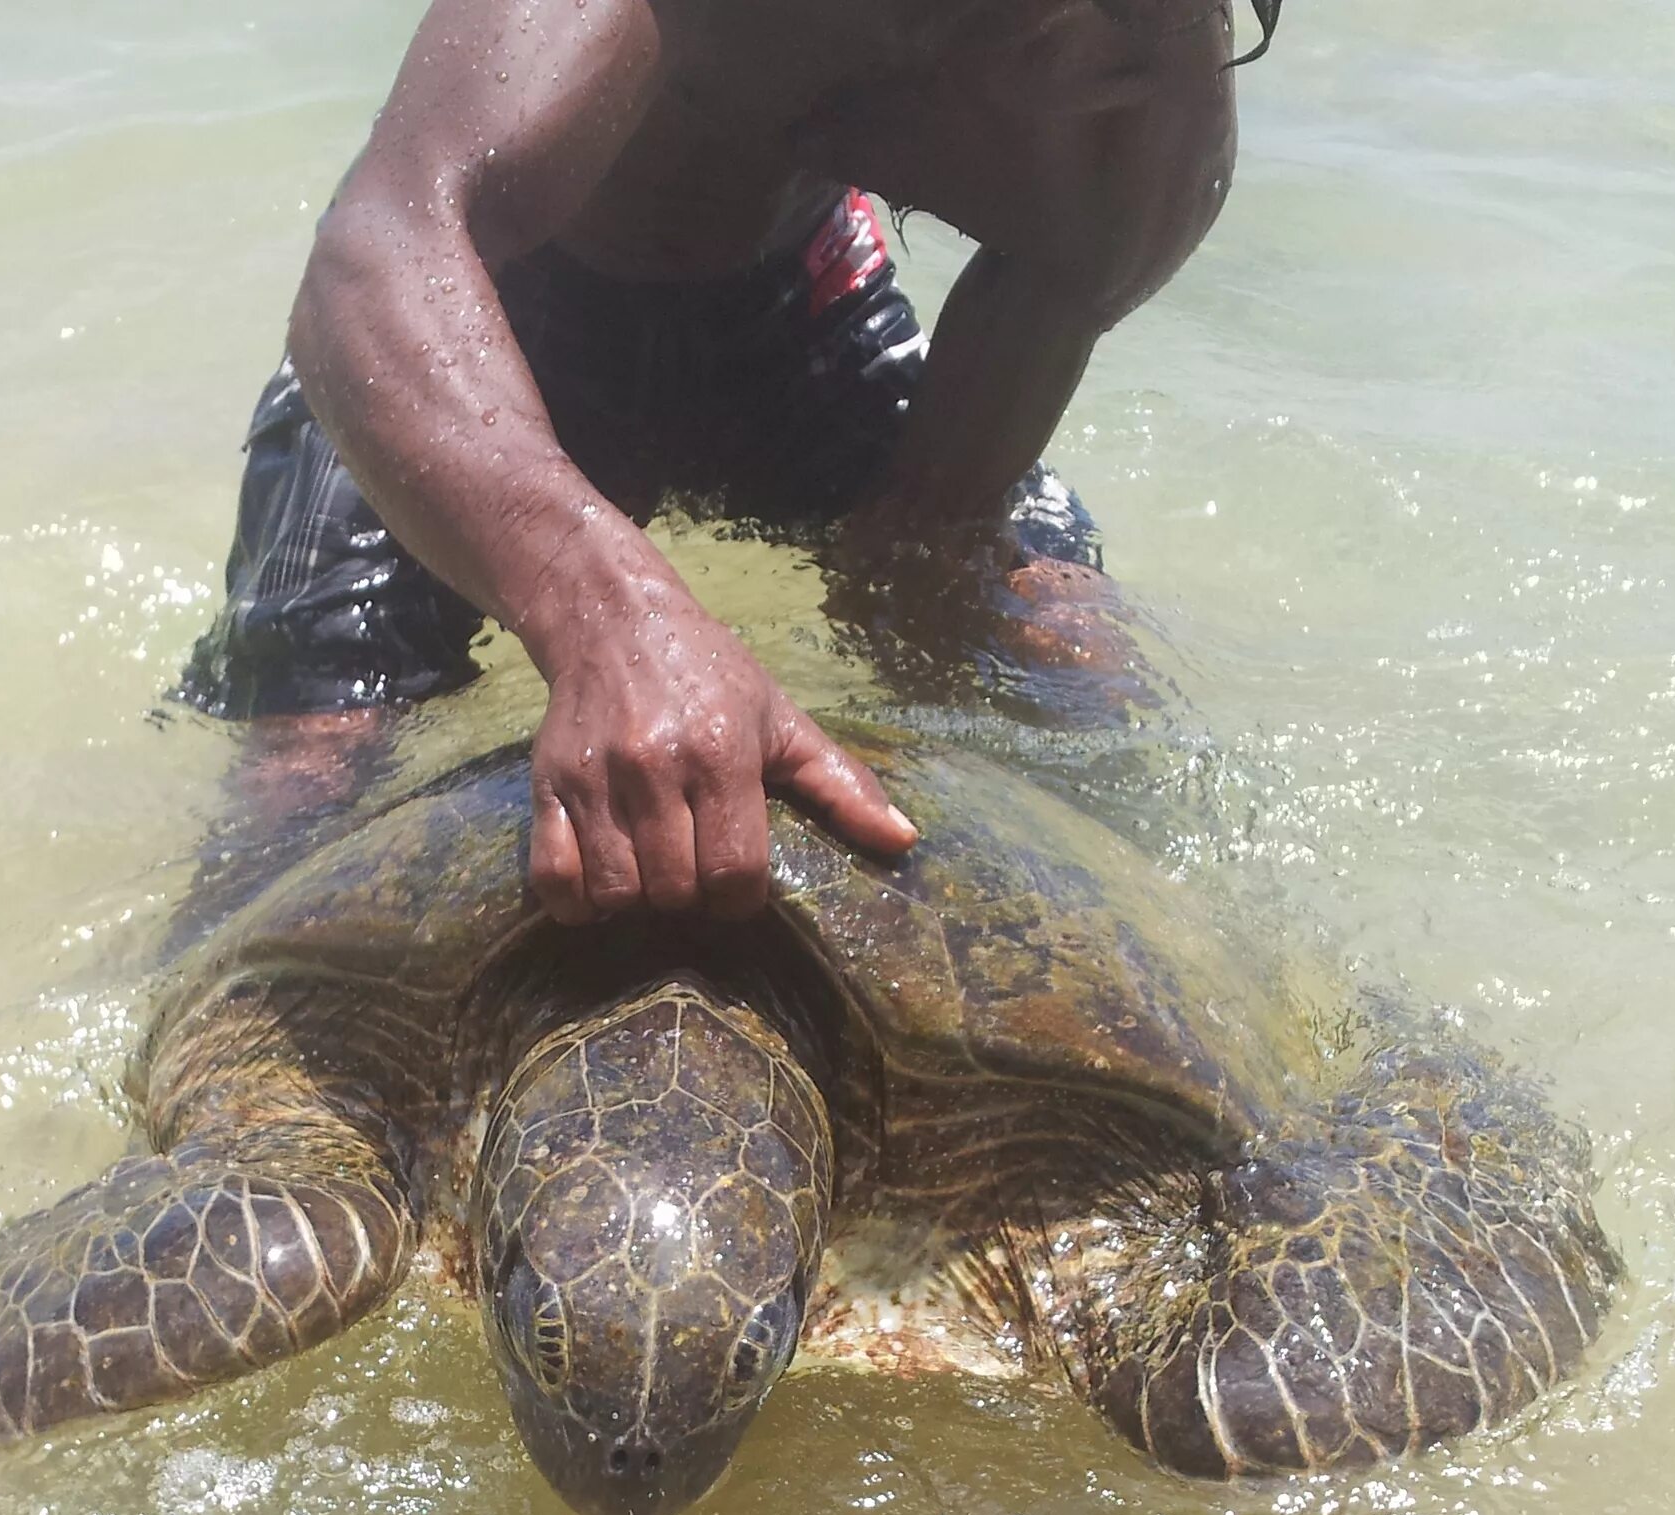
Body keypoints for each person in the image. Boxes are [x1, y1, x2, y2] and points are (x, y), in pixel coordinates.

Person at [180, 0, 1264, 922]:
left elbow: (951, 487)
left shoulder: (1155, 84)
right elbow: (381, 250)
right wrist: (604, 609)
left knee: (1040, 621)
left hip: (801, 307)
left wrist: (927, 575)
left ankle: (1216, 959)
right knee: (306, 776)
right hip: (495, 319)